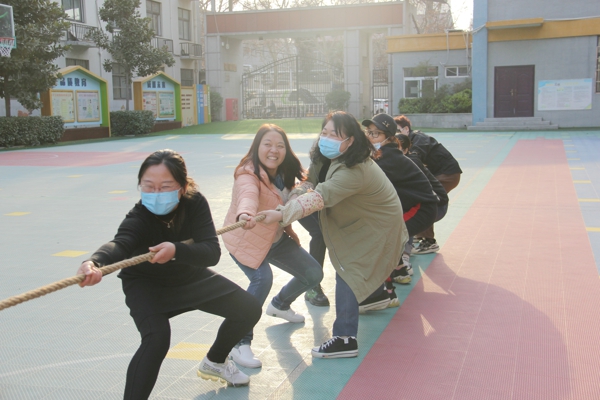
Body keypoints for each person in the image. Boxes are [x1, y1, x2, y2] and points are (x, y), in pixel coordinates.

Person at [77, 150, 262, 399]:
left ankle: (215, 361)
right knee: (157, 339)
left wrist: (176, 250)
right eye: (148, 186)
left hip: (189, 277)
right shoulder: (139, 216)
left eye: (165, 187)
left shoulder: (195, 203)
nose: (156, 194)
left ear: (182, 188)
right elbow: (120, 243)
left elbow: (211, 252)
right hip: (146, 285)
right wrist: (94, 262)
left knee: (248, 308)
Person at [260, 111, 408, 359]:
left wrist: (282, 214)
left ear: (350, 141)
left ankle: (345, 339)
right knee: (350, 264)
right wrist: (295, 195)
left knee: (348, 268)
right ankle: (373, 296)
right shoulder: (326, 157)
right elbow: (311, 182)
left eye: (335, 135)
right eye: (324, 132)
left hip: (378, 225)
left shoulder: (355, 169)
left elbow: (321, 196)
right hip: (359, 220)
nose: (327, 139)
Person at [222, 124, 324, 368]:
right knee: (262, 279)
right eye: (267, 144)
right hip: (247, 239)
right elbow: (247, 195)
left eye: (280, 145)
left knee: (313, 273)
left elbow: (305, 184)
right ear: (257, 147)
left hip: (275, 239)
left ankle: (280, 304)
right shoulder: (247, 174)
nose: (273, 150)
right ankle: (238, 342)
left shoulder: (286, 172)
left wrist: (300, 192)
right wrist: (245, 214)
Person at [362, 113, 438, 286]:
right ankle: (399, 269)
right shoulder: (381, 154)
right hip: (409, 206)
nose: (370, 137)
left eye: (376, 133)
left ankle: (385, 289)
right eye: (368, 132)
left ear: (389, 138)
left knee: (383, 235)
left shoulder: (387, 157)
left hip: (421, 209)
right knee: (385, 231)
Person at [395, 115, 462, 254]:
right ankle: (421, 234)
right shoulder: (409, 141)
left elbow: (414, 159)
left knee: (426, 200)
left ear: (406, 129)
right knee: (423, 198)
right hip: (438, 173)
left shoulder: (419, 139)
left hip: (448, 174)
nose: (395, 135)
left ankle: (429, 241)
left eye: (397, 131)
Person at [398, 134, 449, 235]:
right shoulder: (405, 160)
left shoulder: (410, 162)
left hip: (437, 205)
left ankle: (425, 240)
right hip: (432, 202)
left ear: (405, 150)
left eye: (396, 148)